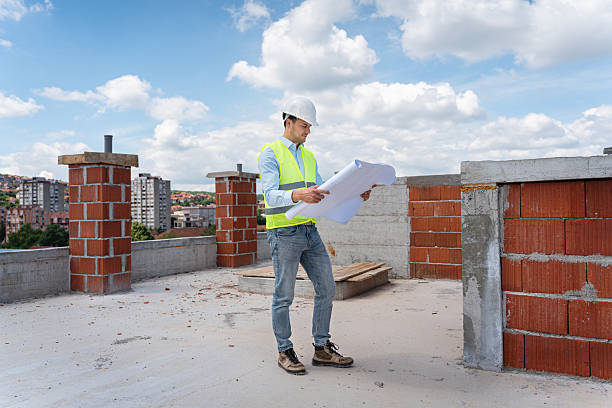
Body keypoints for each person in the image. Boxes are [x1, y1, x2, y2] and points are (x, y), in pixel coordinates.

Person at [258, 96, 373, 375]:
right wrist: (298, 194)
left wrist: (355, 192)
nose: (308, 132)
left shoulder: (309, 155)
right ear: (289, 122)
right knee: (283, 295)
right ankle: (284, 351)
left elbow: (324, 192)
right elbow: (269, 195)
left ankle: (321, 349)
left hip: (310, 230)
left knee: (327, 287)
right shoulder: (270, 152)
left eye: (310, 127)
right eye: (304, 126)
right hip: (283, 232)